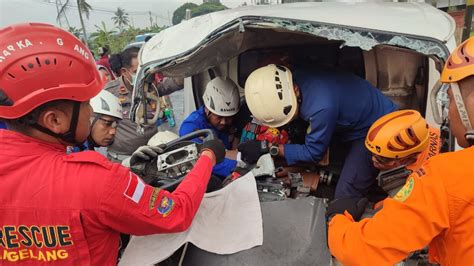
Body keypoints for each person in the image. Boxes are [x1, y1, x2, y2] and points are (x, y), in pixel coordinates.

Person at [0, 23, 225, 265]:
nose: (90, 110)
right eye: (86, 103)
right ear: (55, 120)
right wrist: (208, 155)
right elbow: (176, 213)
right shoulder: (95, 179)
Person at [326, 37, 474, 265]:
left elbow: (364, 250)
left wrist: (336, 219)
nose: (449, 110)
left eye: (452, 100)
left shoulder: (444, 178)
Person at [243, 64, 397, 198]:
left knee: (346, 193)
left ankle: (347, 218)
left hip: (375, 128)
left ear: (295, 90)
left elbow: (313, 152)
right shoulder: (293, 77)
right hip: (354, 115)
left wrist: (272, 149)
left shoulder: (321, 107)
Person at [106, 47, 184, 162]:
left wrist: (178, 64)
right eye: (137, 72)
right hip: (122, 159)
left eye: (147, 70)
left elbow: (176, 82)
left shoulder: (152, 87)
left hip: (151, 154)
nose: (144, 76)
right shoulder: (110, 92)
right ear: (124, 72)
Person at [365, 109, 441, 197]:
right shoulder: (420, 130)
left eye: (381, 159)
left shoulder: (412, 184)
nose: (373, 159)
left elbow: (396, 205)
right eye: (372, 153)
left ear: (405, 160)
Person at [180, 77, 240, 178]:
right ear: (207, 110)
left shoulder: (235, 118)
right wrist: (240, 166)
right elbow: (203, 161)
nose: (224, 122)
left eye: (229, 118)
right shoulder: (191, 128)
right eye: (219, 117)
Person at [68, 90, 123, 154]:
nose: (113, 132)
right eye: (107, 123)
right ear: (89, 119)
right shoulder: (72, 151)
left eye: (116, 125)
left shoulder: (83, 147)